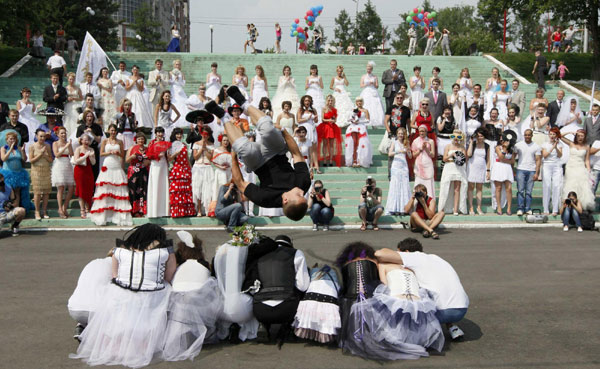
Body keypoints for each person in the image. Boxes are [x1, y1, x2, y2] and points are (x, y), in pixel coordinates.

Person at [70, 224, 177, 368]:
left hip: (121, 292)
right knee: (170, 291)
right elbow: (169, 276)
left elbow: (115, 275)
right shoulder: (166, 252)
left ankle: (114, 340)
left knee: (117, 295)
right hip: (152, 293)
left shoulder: (119, 250)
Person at [207, 86, 311, 220]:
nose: (303, 192)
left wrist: (233, 157)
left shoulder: (266, 200)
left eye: (300, 196)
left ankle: (224, 117)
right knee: (268, 129)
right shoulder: (304, 183)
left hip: (257, 163)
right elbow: (296, 154)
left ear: (285, 200)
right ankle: (244, 103)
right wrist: (284, 131)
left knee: (243, 149)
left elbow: (240, 183)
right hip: (277, 151)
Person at [375, 237, 469, 340]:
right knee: (434, 289)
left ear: (406, 252)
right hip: (461, 309)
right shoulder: (436, 258)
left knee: (414, 295)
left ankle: (418, 333)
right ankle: (452, 327)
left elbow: (379, 254)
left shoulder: (413, 257)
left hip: (442, 312)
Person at [163, 231, 223, 361]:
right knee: (213, 289)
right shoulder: (204, 265)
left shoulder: (179, 267)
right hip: (197, 302)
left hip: (177, 303)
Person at [247, 234, 309, 346]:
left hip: (260, 310)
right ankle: (290, 326)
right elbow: (303, 285)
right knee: (299, 291)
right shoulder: (296, 253)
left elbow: (252, 288)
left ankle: (263, 325)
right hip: (287, 309)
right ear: (290, 245)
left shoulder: (259, 254)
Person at [89, 124, 132, 226]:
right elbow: (101, 153)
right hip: (107, 164)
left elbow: (123, 155)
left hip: (116, 164)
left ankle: (116, 213)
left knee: (118, 188)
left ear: (116, 132)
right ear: (108, 131)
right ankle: (105, 214)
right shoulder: (105, 141)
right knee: (106, 188)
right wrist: (110, 152)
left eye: (114, 130)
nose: (113, 132)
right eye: (111, 130)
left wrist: (117, 153)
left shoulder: (120, 142)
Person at [293, 263, 341, 343]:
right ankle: (324, 334)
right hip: (329, 301)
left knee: (313, 312)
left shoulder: (312, 275)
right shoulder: (335, 278)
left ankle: (308, 331)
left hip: (310, 300)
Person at [560, 130, 595, 211]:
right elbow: (560, 136)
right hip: (571, 167)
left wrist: (589, 171)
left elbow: (587, 160)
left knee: (582, 186)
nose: (580, 137)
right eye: (578, 136)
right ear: (576, 136)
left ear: (584, 137)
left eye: (582, 136)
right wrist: (569, 132)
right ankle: (569, 203)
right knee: (571, 185)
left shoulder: (587, 146)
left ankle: (580, 206)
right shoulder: (571, 144)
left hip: (580, 167)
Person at [438, 130, 468, 215]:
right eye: (453, 137)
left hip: (459, 168)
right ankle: (442, 207)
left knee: (457, 189)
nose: (455, 139)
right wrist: (452, 155)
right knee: (445, 187)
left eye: (458, 137)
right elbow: (444, 159)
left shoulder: (462, 148)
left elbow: (465, 160)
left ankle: (456, 209)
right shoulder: (448, 146)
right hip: (449, 166)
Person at [168, 128, 196, 218]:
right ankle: (177, 211)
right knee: (178, 190)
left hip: (185, 168)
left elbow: (187, 158)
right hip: (178, 168)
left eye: (180, 134)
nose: (179, 136)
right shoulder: (171, 145)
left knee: (186, 190)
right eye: (177, 134)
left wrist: (191, 168)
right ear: (174, 135)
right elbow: (170, 159)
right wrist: (176, 153)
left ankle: (186, 211)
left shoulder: (184, 144)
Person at [514, 129, 542, 216]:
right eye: (525, 135)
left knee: (529, 191)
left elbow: (538, 160)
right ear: (523, 135)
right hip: (520, 169)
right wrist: (512, 170)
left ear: (532, 135)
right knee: (520, 190)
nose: (527, 136)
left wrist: (537, 173)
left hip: (531, 170)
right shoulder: (518, 145)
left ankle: (528, 208)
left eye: (529, 135)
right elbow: (513, 157)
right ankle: (520, 208)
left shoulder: (536, 146)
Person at [386, 128, 411, 215]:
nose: (400, 135)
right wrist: (398, 151)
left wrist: (408, 151)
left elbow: (410, 156)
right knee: (395, 185)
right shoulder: (394, 142)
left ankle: (403, 208)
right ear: (397, 134)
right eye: (399, 133)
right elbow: (389, 153)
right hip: (396, 165)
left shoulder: (406, 143)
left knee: (404, 185)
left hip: (404, 166)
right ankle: (394, 207)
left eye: (402, 134)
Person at [147, 127, 171, 217]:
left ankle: (164, 211)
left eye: (161, 132)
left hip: (163, 164)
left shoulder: (166, 144)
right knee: (155, 185)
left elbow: (168, 156)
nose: (160, 134)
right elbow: (148, 155)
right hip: (155, 164)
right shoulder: (151, 143)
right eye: (158, 132)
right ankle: (154, 211)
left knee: (163, 185)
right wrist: (157, 155)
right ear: (156, 134)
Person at [29, 129, 53, 220]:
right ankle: (37, 211)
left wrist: (45, 155)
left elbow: (51, 159)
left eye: (44, 136)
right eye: (40, 136)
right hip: (36, 171)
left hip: (46, 170)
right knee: (38, 192)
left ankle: (44, 211)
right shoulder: (32, 146)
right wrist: (40, 154)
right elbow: (31, 160)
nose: (42, 138)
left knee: (46, 192)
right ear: (36, 136)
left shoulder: (48, 146)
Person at [191, 125, 215, 216]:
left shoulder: (211, 145)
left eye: (207, 134)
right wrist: (201, 148)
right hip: (198, 167)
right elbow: (195, 157)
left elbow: (211, 158)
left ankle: (207, 209)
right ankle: (199, 210)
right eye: (203, 134)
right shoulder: (196, 143)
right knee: (198, 188)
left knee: (207, 188)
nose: (205, 136)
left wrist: (206, 149)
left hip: (207, 167)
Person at [466, 128, 491, 215]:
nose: (479, 138)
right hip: (472, 166)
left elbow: (488, 159)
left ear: (484, 137)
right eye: (478, 136)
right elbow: (468, 154)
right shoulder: (473, 144)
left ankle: (479, 207)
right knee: (471, 187)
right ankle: (471, 207)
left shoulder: (487, 146)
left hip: (482, 167)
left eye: (481, 136)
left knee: (479, 188)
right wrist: (471, 142)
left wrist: (488, 171)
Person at [51, 126, 74, 218]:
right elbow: (56, 154)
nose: (63, 135)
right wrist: (65, 147)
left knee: (71, 187)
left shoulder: (68, 143)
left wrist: (69, 146)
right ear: (57, 134)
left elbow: (71, 154)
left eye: (64, 133)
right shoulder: (55, 143)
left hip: (67, 164)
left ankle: (65, 206)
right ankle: (60, 209)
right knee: (60, 187)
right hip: (59, 164)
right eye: (62, 133)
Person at [125, 132, 149, 217]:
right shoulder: (132, 148)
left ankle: (142, 210)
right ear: (136, 140)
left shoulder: (147, 149)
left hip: (144, 172)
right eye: (139, 139)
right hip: (134, 172)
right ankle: (134, 210)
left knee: (144, 191)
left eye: (142, 139)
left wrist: (147, 161)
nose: (141, 140)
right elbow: (127, 160)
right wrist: (132, 157)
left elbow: (150, 160)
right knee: (133, 191)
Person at [541, 127, 564, 215]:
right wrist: (552, 147)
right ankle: (546, 209)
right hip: (547, 165)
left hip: (557, 165)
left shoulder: (560, 144)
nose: (552, 136)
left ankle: (555, 209)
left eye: (554, 134)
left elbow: (560, 155)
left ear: (556, 135)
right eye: (550, 134)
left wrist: (556, 147)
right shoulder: (545, 144)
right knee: (547, 186)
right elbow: (545, 155)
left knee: (556, 186)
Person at [491, 135, 515, 215]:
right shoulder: (497, 148)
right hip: (498, 167)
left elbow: (512, 161)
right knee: (498, 188)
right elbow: (500, 157)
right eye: (501, 140)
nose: (502, 142)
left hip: (507, 168)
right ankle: (499, 207)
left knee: (509, 189)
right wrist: (504, 149)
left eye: (504, 140)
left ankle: (508, 208)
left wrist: (504, 160)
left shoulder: (512, 149)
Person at [345, 98, 372, 168]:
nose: (359, 103)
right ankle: (354, 160)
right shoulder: (353, 110)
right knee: (353, 143)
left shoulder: (365, 110)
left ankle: (360, 160)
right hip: (353, 128)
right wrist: (353, 120)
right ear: (356, 102)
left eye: (360, 101)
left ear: (362, 102)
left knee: (361, 143)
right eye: (358, 101)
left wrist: (359, 121)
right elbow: (348, 119)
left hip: (361, 128)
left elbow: (368, 120)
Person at [72, 133, 95, 217]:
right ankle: (82, 210)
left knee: (89, 190)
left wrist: (91, 157)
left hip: (88, 171)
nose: (86, 141)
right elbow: (76, 160)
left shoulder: (91, 149)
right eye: (84, 140)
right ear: (81, 140)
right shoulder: (78, 149)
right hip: (79, 171)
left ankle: (87, 208)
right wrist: (85, 155)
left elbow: (93, 163)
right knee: (81, 191)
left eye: (87, 140)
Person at [76, 109, 103, 179]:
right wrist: (84, 135)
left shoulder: (97, 127)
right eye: (88, 116)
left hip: (93, 149)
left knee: (94, 168)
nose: (89, 118)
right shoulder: (81, 127)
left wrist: (92, 133)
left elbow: (99, 140)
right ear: (85, 117)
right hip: (83, 150)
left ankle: (94, 188)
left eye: (91, 116)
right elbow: (78, 141)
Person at [210, 135, 233, 216]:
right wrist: (221, 167)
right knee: (219, 188)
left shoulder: (230, 150)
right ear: (221, 141)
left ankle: (227, 208)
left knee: (228, 189)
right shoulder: (217, 149)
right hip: (220, 172)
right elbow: (214, 161)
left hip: (228, 172)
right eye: (224, 140)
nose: (226, 142)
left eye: (227, 140)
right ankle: (216, 208)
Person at [317, 95, 342, 167]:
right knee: (324, 144)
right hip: (325, 127)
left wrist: (333, 121)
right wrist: (329, 120)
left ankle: (331, 160)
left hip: (332, 127)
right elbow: (322, 119)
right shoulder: (324, 109)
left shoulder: (335, 109)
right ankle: (324, 160)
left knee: (331, 145)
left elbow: (335, 119)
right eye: (329, 100)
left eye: (331, 100)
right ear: (326, 101)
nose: (330, 102)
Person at [297, 95, 320, 173]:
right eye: (306, 101)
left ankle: (316, 167)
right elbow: (298, 120)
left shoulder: (313, 110)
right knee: (304, 147)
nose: (307, 102)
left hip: (311, 128)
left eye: (308, 101)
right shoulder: (300, 110)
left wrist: (316, 118)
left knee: (313, 149)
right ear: (303, 102)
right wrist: (307, 118)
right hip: (303, 128)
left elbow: (316, 121)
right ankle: (306, 166)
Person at [359, 61, 384, 128]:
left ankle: (374, 123)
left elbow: (377, 86)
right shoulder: (363, 76)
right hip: (366, 91)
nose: (369, 70)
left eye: (370, 69)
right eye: (368, 69)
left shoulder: (375, 76)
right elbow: (361, 85)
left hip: (373, 91)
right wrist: (367, 84)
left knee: (374, 106)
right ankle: (365, 122)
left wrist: (373, 84)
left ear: (372, 69)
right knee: (366, 105)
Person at [169, 59, 188, 127]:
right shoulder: (171, 72)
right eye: (176, 64)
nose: (177, 66)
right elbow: (169, 82)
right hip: (174, 89)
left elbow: (183, 83)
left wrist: (179, 81)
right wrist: (174, 79)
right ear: (174, 65)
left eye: (179, 64)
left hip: (180, 89)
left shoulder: (182, 73)